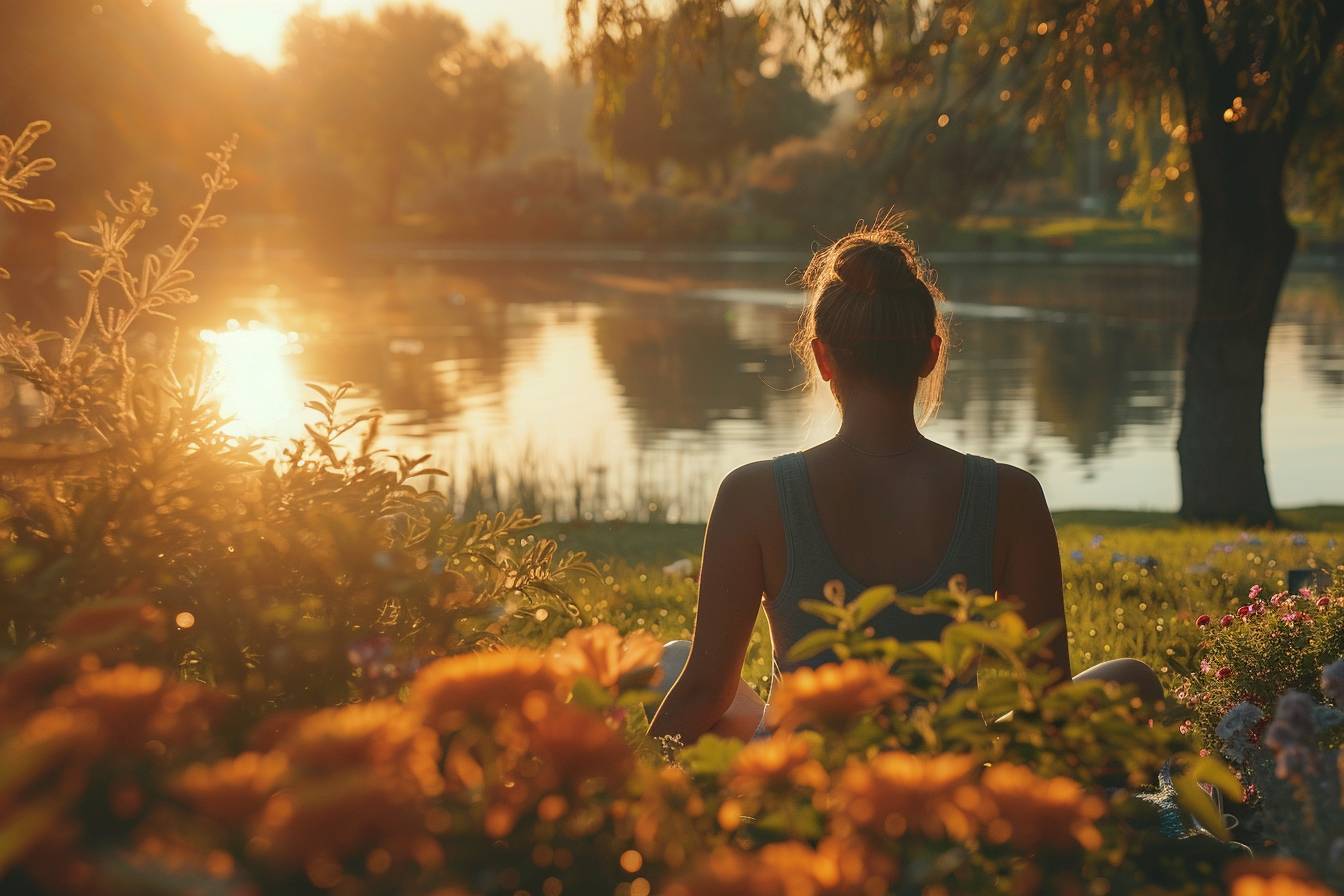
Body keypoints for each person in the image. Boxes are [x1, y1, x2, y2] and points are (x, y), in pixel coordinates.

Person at [648, 218, 1163, 744]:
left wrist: (624, 801)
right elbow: (1048, 699)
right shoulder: (1011, 496)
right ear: (930, 354)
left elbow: (704, 693)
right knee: (1132, 679)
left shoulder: (751, 493)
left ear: (822, 358)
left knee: (674, 663)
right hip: (948, 781)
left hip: (798, 784)